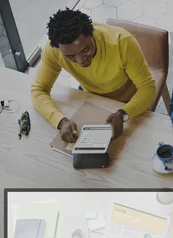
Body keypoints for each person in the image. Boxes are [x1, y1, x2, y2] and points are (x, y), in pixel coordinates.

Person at [31, 8, 156, 142]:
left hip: (128, 101)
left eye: (85, 50)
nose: (80, 60)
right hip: (90, 99)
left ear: (92, 34)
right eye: (71, 56)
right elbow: (38, 91)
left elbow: (148, 89)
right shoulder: (54, 51)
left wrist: (124, 114)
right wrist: (61, 121)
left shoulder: (121, 42)